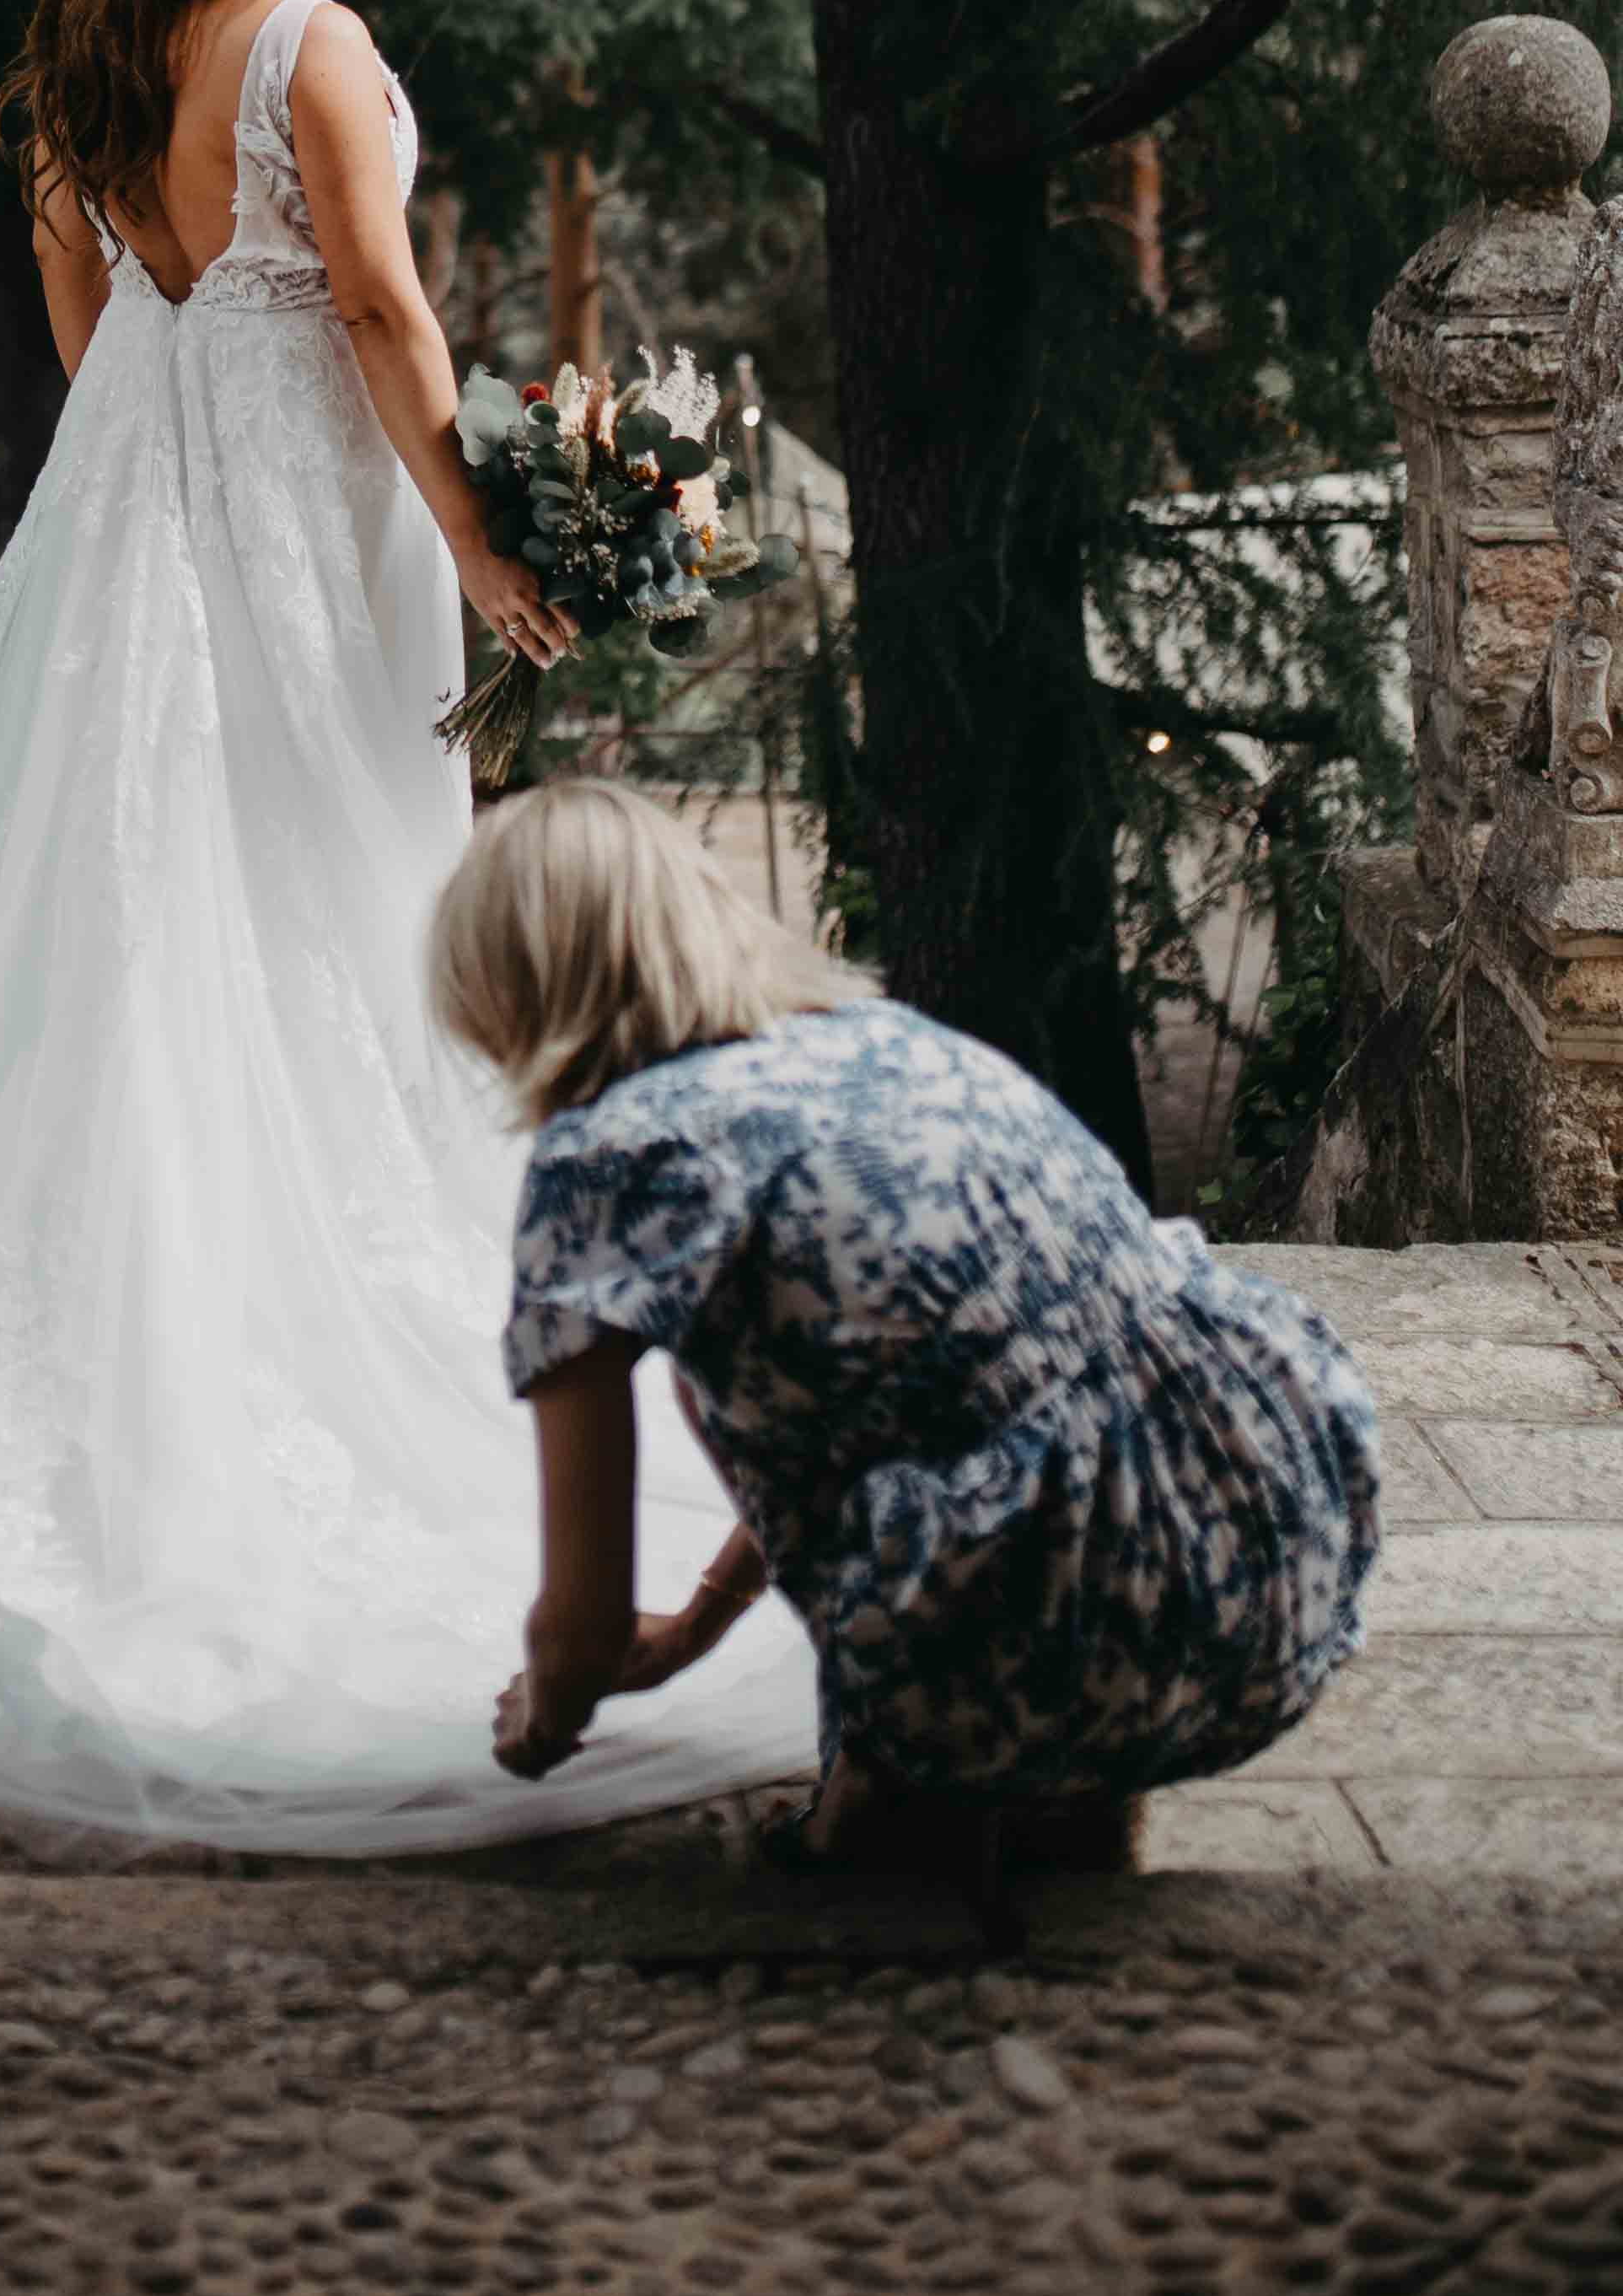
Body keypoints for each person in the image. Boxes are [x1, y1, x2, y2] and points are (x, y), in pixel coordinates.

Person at [0, 0, 818, 1847]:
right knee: (326, 881)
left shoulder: (89, 52)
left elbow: (80, 304)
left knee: (135, 893)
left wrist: (177, 426)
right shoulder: (311, 52)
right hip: (313, 527)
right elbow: (382, 307)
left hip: (137, 506)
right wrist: (474, 541)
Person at [429, 780, 1381, 1873]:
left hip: (1066, 1610)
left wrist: (544, 1724)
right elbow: (931, 1385)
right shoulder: (881, 1037)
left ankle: (902, 1788)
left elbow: (582, 1624)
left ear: (511, 983)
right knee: (922, 1373)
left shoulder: (607, 1154)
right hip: (1270, 1543)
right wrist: (695, 1629)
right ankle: (1062, 1788)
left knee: (718, 1372)